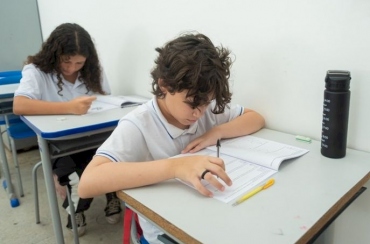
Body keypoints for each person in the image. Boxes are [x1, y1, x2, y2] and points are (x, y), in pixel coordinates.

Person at [78, 33, 265, 243]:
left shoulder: (204, 105)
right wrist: (176, 167)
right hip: (165, 234)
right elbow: (87, 183)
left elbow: (255, 118)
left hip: (210, 218)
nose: (199, 113)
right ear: (164, 85)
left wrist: (216, 132)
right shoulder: (139, 124)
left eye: (206, 103)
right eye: (192, 104)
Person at [13, 23, 122, 236]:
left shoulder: (92, 71)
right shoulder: (36, 72)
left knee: (114, 160)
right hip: (59, 144)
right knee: (76, 178)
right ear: (55, 55)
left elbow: (106, 100)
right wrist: (68, 108)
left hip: (93, 137)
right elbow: (19, 105)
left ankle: (112, 196)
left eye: (79, 63)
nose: (72, 68)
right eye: (66, 61)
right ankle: (76, 209)